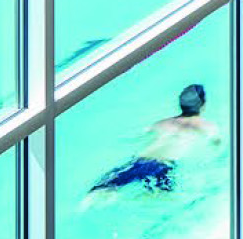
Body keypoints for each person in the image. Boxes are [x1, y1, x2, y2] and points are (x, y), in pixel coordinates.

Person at [87, 83, 218, 197]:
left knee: (99, 190)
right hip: (162, 167)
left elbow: (137, 137)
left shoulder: (162, 123)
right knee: (163, 198)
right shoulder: (203, 126)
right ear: (203, 105)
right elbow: (216, 145)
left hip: (139, 161)